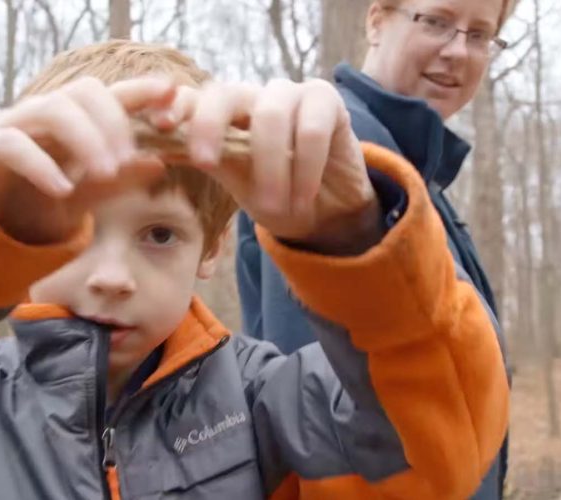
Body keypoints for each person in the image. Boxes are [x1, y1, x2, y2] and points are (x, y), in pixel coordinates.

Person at [0, 40, 508, 500]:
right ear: (22, 232)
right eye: (78, 230)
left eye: (159, 235)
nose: (112, 276)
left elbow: (437, 456)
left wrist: (354, 241)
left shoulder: (266, 402)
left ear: (209, 249)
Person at [236, 0, 514, 498]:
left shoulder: (414, 177)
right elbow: (335, 433)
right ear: (376, 20)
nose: (458, 51)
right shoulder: (345, 153)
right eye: (437, 21)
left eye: (479, 35)